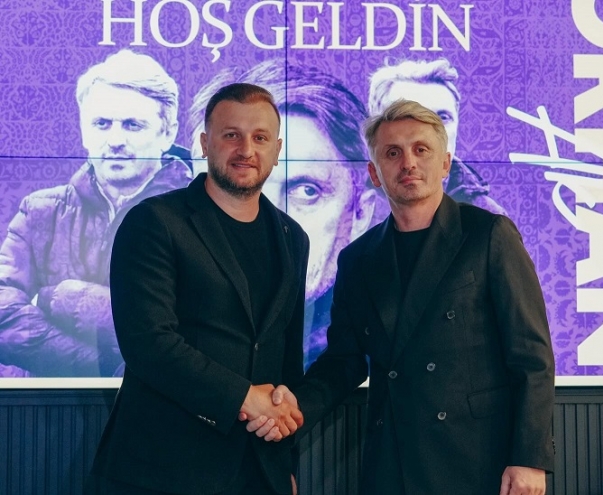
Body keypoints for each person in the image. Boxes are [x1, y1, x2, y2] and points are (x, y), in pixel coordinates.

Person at [248, 100, 555, 494]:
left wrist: (529, 458)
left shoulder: (489, 235)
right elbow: (344, 362)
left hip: (479, 460)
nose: (408, 162)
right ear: (375, 173)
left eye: (420, 149)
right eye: (392, 153)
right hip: (392, 459)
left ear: (445, 164)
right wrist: (293, 407)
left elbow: (531, 357)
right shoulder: (358, 259)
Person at [86, 83, 308, 495]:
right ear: (205, 144)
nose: (246, 149)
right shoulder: (154, 222)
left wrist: (284, 465)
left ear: (277, 150)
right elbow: (149, 344)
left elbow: (286, 360)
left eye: (260, 138)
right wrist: (244, 397)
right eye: (231, 135)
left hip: (259, 473)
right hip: (163, 471)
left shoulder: (291, 236)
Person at [0, 49, 192, 377]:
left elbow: (196, 329)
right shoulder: (39, 212)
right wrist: (102, 366)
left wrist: (66, 299)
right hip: (52, 406)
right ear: (84, 130)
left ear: (168, 133)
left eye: (132, 125)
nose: (115, 140)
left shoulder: (202, 217)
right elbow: (4, 314)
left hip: (164, 405)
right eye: (102, 124)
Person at [190, 61, 377, 368]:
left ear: (360, 213)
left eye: (306, 191)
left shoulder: (374, 339)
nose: (264, 213)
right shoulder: (158, 228)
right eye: (239, 185)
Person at [368, 57, 507, 215]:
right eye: (407, 118)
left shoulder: (488, 216)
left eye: (443, 118)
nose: (428, 133)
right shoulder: (352, 202)